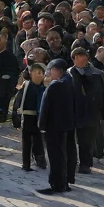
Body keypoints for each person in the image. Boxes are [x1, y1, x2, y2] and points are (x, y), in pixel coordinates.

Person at [37, 59, 76, 194]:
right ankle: (64, 183)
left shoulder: (55, 85)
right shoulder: (70, 82)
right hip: (66, 125)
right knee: (63, 155)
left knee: (54, 157)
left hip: (53, 126)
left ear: (57, 70)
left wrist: (41, 124)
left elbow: (45, 106)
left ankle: (56, 184)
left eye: (51, 70)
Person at [69, 47, 103, 174]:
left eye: (82, 56)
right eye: (77, 57)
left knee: (87, 140)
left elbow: (101, 94)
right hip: (74, 110)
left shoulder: (96, 73)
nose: (80, 59)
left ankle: (85, 163)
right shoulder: (69, 73)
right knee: (71, 139)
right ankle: (72, 162)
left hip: (91, 112)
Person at [12, 61, 46, 171]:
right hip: (27, 117)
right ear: (31, 73)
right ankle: (26, 164)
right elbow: (18, 102)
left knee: (39, 140)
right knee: (26, 142)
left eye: (41, 73)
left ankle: (40, 160)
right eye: (37, 72)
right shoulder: (26, 86)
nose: (39, 75)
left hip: (39, 117)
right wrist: (16, 118)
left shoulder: (44, 87)